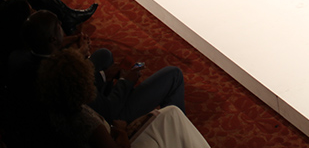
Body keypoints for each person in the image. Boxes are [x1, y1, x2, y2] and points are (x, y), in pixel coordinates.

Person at [36, 47, 209, 147]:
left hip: (108, 121)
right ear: (84, 84)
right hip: (121, 130)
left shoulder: (56, 106)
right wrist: (122, 130)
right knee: (172, 112)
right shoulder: (89, 122)